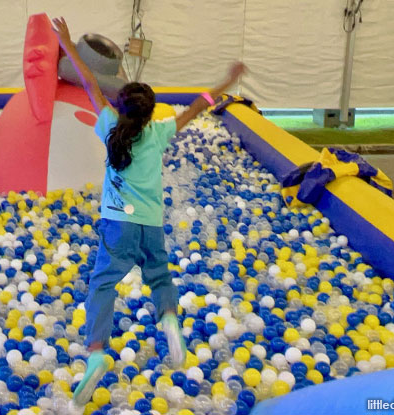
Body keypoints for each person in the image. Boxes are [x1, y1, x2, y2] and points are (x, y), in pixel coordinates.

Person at [51, 17, 246, 406]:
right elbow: (198, 106)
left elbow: (89, 82)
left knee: (103, 284)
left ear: (119, 107)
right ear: (151, 112)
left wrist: (69, 44)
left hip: (117, 226)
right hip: (151, 228)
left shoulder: (109, 125)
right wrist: (225, 84)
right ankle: (170, 320)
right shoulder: (159, 132)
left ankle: (96, 353)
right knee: (159, 279)